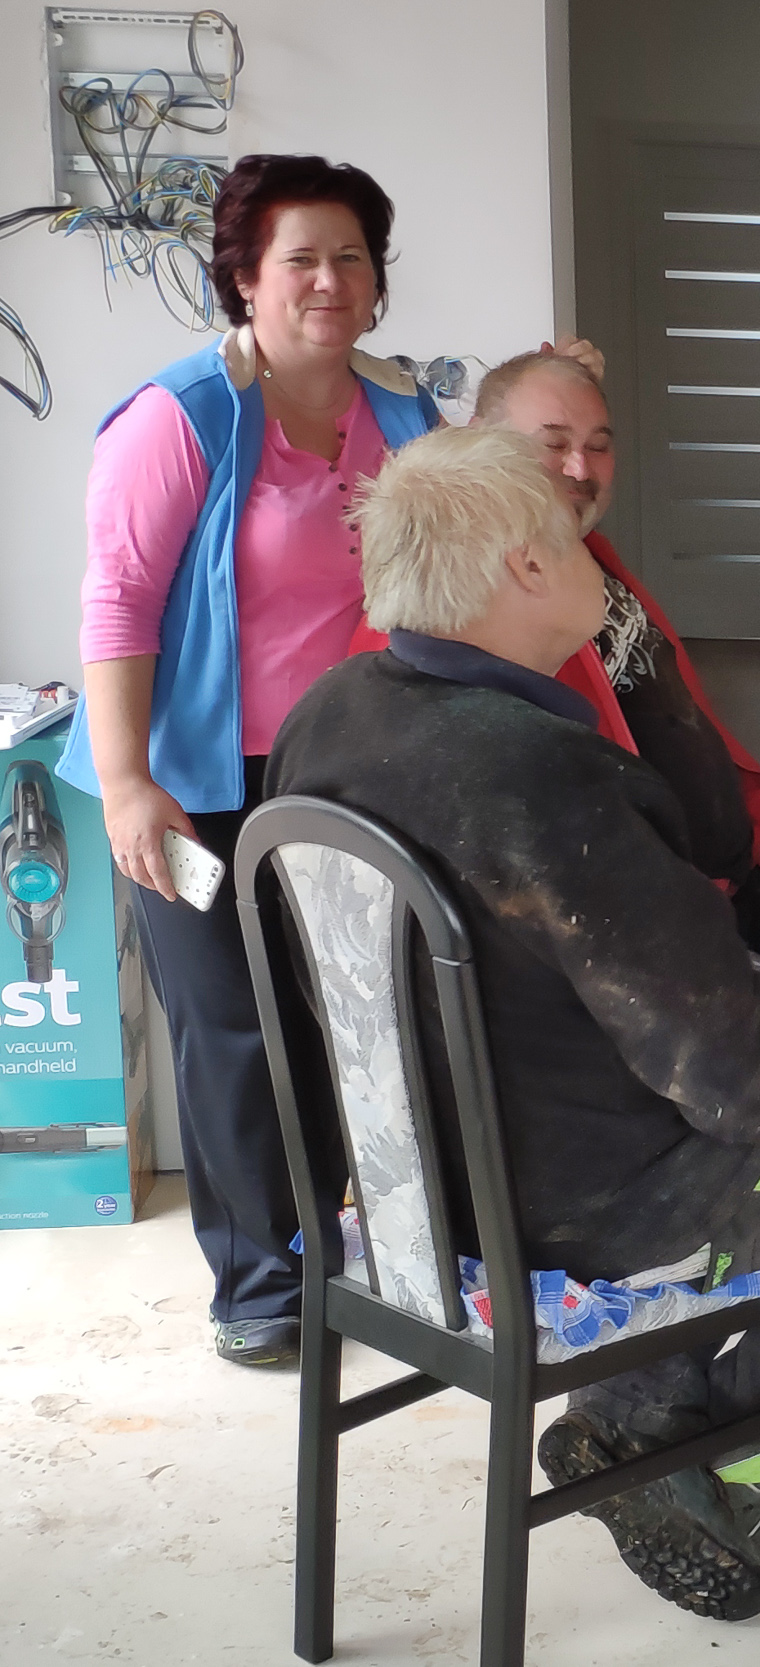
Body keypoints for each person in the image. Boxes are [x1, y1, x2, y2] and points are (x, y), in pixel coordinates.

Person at [270, 426, 760, 1620]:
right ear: (527, 566)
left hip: (409, 1200)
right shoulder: (543, 771)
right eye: (577, 533)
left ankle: (650, 1408)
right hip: (593, 1218)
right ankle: (706, 1450)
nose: (601, 550)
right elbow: (725, 1062)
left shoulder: (328, 714)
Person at [57, 155, 449, 1369]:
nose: (330, 281)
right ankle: (260, 1282)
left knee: (345, 1017)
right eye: (300, 258)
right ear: (244, 277)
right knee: (231, 1025)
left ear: (377, 279)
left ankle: (335, 1249)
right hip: (194, 778)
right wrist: (128, 781)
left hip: (349, 772)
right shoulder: (182, 414)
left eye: (352, 257)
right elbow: (117, 602)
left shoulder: (405, 415)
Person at [459, 348, 760, 1042]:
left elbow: (676, 719)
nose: (580, 468)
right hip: (644, 917)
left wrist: (752, 835)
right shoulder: (486, 610)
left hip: (720, 873)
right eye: (552, 444)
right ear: (482, 446)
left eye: (598, 445)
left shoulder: (594, 563)